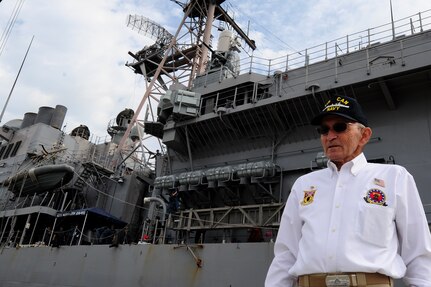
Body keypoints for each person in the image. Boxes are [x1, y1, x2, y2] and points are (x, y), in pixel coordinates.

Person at [265, 95, 431, 287]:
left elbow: (418, 252)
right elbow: (286, 254)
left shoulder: (395, 178)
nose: (330, 136)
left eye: (340, 127)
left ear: (365, 135)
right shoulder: (304, 185)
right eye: (324, 130)